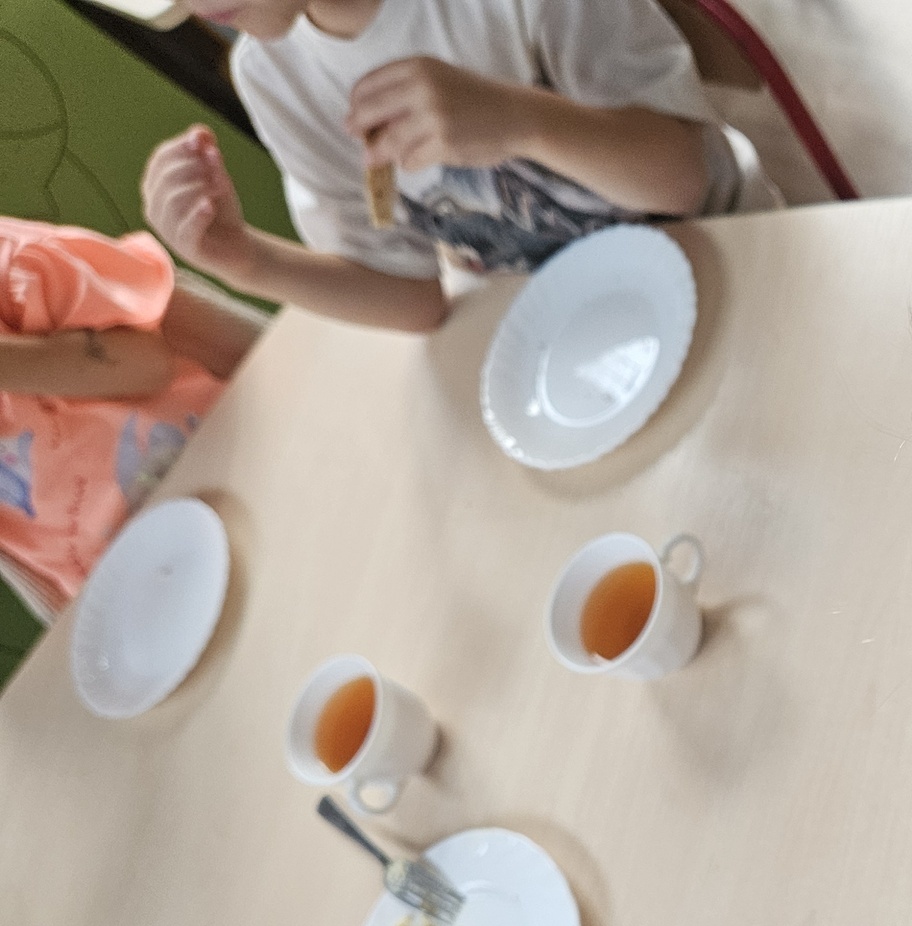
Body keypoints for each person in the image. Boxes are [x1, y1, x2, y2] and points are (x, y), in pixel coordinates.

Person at [140, 0, 748, 332]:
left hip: (728, 260)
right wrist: (248, 262)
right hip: (573, 327)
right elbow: (416, 298)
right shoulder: (274, 78)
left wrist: (521, 119)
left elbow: (682, 180)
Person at [0, 218, 257, 618]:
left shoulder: (16, 267)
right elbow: (36, 573)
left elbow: (150, 365)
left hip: (236, 475)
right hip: (151, 598)